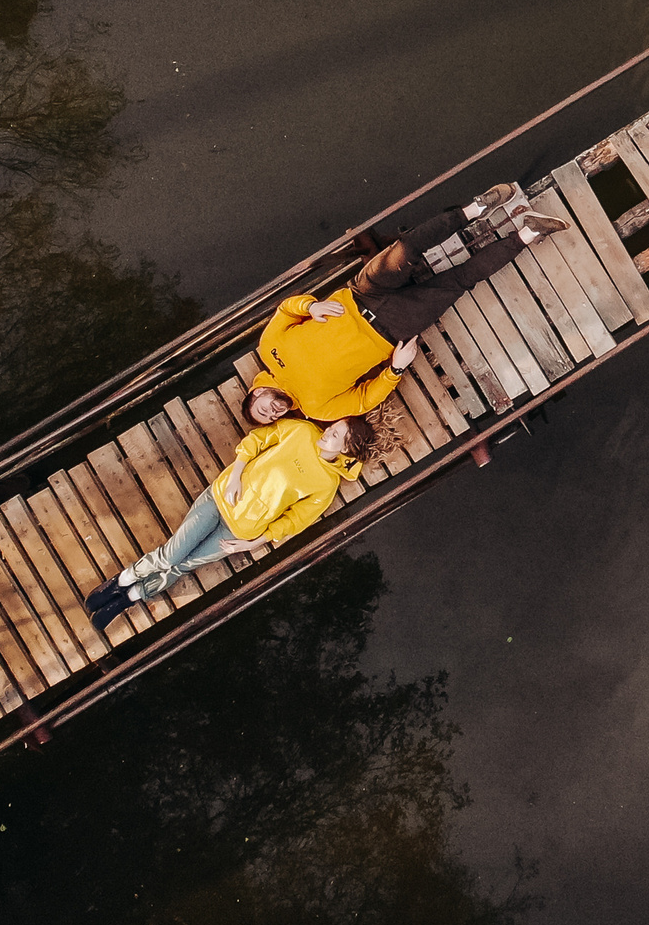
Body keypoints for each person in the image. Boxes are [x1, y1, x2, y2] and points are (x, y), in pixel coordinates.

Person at [247, 184, 566, 420]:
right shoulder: (317, 408)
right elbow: (363, 401)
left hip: (361, 294)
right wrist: (395, 370)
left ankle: (476, 209)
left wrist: (310, 307)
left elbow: (285, 309)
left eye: (264, 410)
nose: (273, 411)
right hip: (391, 329)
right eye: (272, 418)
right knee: (460, 281)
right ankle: (528, 232)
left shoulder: (269, 347)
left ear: (257, 393)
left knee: (409, 245)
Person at [84, 413, 381, 629]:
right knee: (173, 554)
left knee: (183, 565)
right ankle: (120, 581)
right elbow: (257, 439)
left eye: (335, 434)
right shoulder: (301, 431)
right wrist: (236, 474)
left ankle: (130, 597)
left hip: (240, 530)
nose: (326, 431)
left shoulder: (327, 484)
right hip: (221, 498)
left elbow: (296, 519)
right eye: (332, 426)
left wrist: (255, 543)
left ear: (346, 449)